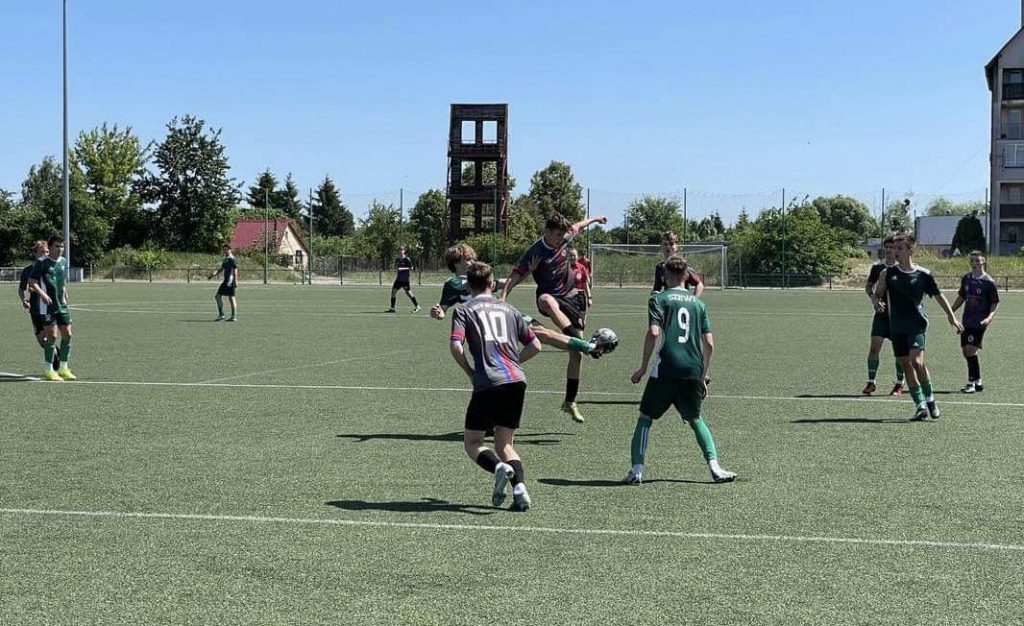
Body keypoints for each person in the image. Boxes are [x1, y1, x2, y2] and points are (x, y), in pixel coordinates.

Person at [625, 255, 736, 484]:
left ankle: (636, 471)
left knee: (645, 417)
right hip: (693, 368)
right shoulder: (698, 304)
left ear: (665, 275)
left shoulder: (658, 299)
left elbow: (654, 333)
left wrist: (643, 368)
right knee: (695, 418)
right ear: (686, 275)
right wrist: (703, 374)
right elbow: (709, 343)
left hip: (666, 367)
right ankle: (715, 467)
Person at [500, 212, 609, 423]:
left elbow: (578, 226)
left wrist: (595, 219)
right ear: (548, 232)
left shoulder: (565, 238)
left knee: (576, 354)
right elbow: (515, 276)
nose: (561, 239)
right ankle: (581, 341)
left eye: (562, 235)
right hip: (548, 295)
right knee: (546, 302)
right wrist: (502, 298)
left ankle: (570, 401)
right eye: (558, 235)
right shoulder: (535, 251)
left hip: (572, 298)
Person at [450, 262, 541, 511]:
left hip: (488, 381)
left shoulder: (464, 310)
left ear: (468, 286)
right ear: (492, 284)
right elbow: (535, 345)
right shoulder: (510, 309)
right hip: (516, 380)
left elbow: (456, 345)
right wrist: (514, 362)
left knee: (473, 442)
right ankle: (520, 491)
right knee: (505, 444)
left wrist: (470, 372)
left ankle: (498, 467)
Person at [433, 243, 616, 359]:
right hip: (492, 322)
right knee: (540, 335)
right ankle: (588, 347)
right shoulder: (452, 284)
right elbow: (442, 309)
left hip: (506, 312)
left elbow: (508, 282)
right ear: (456, 262)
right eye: (467, 260)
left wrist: (529, 270)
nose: (472, 262)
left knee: (543, 332)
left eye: (473, 259)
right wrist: (438, 312)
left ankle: (586, 348)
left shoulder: (480, 275)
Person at [872, 234, 963, 421]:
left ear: (910, 250)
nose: (895, 251)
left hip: (916, 325)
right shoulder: (887, 273)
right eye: (894, 248)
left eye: (899, 248)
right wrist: (876, 301)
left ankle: (930, 400)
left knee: (917, 362)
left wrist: (951, 316)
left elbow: (938, 296)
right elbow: (877, 293)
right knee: (906, 365)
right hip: (896, 327)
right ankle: (920, 405)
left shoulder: (923, 274)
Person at [950, 251, 999, 394]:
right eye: (972, 260)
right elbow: (961, 297)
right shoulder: (966, 278)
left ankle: (971, 383)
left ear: (983, 262)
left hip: (979, 321)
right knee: (966, 351)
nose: (974, 263)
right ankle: (978, 382)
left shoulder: (989, 282)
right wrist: (951, 311)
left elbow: (995, 302)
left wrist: (989, 317)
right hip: (967, 320)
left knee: (971, 350)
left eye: (977, 260)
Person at [862, 235, 905, 396]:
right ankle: (871, 382)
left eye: (892, 247)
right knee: (874, 348)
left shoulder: (903, 268)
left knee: (899, 352)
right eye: (886, 247)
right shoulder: (877, 268)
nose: (889, 250)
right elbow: (868, 287)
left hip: (898, 317)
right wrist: (874, 299)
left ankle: (899, 384)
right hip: (881, 316)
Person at [29, 235, 75, 381]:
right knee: (52, 336)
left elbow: (62, 279)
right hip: (47, 305)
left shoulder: (63, 261)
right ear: (50, 247)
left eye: (62, 246)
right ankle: (49, 370)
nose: (60, 249)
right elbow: (32, 282)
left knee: (67, 334)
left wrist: (65, 293)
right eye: (57, 246)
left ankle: (63, 368)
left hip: (61, 304)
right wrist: (42, 294)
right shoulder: (42, 262)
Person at [18, 240, 59, 371]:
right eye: (42, 252)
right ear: (35, 254)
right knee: (42, 341)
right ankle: (55, 352)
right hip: (35, 309)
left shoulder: (51, 268)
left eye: (47, 252)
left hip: (49, 308)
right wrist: (24, 299)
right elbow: (21, 288)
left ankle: (54, 364)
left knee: (50, 336)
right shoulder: (27, 271)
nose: (45, 254)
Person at [652, 231, 703, 296]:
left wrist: (694, 299)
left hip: (683, 301)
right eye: (665, 244)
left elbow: (699, 284)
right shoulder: (660, 267)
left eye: (671, 244)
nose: (668, 247)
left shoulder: (682, 265)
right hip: (669, 301)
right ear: (661, 246)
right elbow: (656, 290)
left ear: (676, 246)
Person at [208, 244, 238, 321]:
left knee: (231, 298)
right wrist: (213, 274)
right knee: (217, 296)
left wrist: (235, 281)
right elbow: (221, 269)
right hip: (225, 281)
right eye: (224, 249)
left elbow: (235, 270)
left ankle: (233, 316)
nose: (225, 251)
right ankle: (221, 315)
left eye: (226, 249)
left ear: (230, 250)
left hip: (230, 281)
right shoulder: (225, 260)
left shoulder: (232, 259)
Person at [387, 246, 420, 313]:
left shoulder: (407, 259)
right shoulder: (397, 259)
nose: (400, 251)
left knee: (409, 293)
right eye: (399, 250)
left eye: (402, 250)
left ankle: (417, 306)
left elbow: (411, 268)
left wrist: (402, 269)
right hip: (398, 279)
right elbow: (397, 267)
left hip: (405, 280)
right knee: (393, 292)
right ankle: (392, 308)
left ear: (404, 251)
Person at [569, 247, 592, 327]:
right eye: (570, 255)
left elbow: (585, 284)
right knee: (572, 320)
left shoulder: (581, 268)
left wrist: (589, 298)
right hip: (569, 296)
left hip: (580, 296)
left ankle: (581, 332)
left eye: (574, 255)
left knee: (582, 320)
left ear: (577, 256)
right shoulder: (564, 268)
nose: (572, 257)